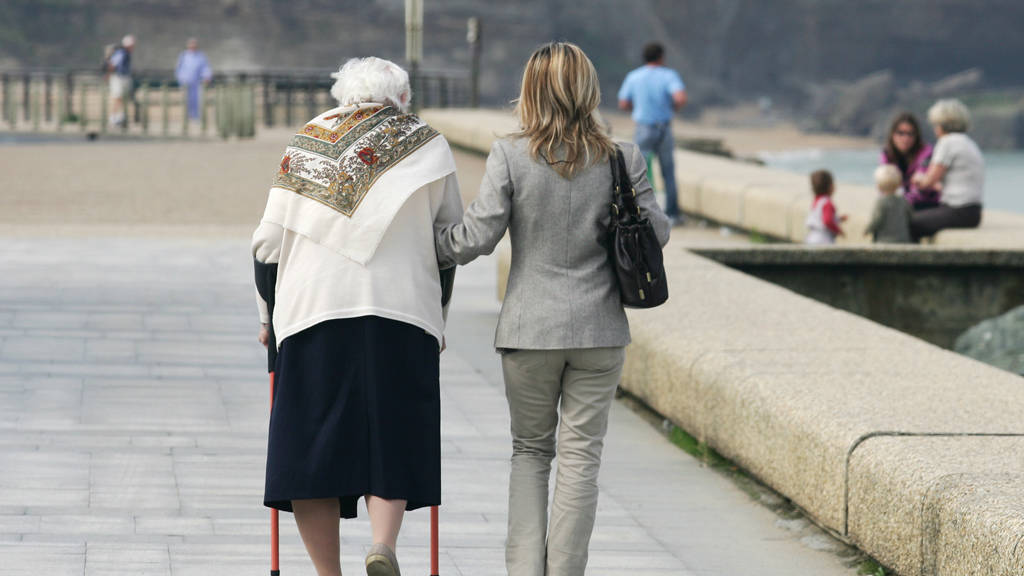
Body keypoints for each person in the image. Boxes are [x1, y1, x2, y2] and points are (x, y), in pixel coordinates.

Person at [435, 42, 671, 576]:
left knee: (530, 452)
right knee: (582, 458)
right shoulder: (621, 156)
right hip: (600, 328)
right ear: (587, 88)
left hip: (529, 329)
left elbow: (476, 237)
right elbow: (657, 232)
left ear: (531, 91)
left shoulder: (511, 154)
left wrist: (427, 244)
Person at [251, 57, 462, 576]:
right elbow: (447, 244)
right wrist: (439, 321)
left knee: (310, 455)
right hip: (404, 311)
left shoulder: (306, 143)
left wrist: (266, 319)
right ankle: (382, 545)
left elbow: (267, 247)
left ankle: (329, 574)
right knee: (393, 436)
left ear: (342, 97)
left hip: (313, 310)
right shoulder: (427, 143)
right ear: (402, 99)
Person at [617, 42, 687, 225]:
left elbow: (623, 103)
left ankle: (639, 211)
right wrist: (672, 109)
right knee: (668, 173)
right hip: (663, 128)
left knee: (637, 172)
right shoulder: (669, 76)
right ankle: (673, 214)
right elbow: (680, 97)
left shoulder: (634, 77)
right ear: (661, 57)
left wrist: (637, 108)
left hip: (643, 128)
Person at [909, 99, 985, 240]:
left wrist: (918, 178)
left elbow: (928, 182)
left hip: (959, 211)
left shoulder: (947, 142)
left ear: (941, 125)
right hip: (973, 211)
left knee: (910, 222)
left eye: (935, 124)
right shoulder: (968, 142)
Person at [880, 112, 940, 210]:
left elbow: (920, 186)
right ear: (892, 134)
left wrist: (898, 200)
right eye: (901, 133)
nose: (905, 138)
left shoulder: (927, 153)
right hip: (900, 201)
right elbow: (884, 184)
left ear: (917, 136)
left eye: (910, 134)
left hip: (926, 202)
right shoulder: (887, 154)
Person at [865, 164, 912, 243]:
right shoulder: (903, 200)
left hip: (884, 240)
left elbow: (877, 220)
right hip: (903, 240)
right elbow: (910, 216)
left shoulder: (881, 202)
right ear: (898, 185)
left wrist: (868, 229)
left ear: (878, 186)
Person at [175, 38, 213, 121]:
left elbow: (205, 67)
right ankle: (187, 117)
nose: (192, 46)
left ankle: (196, 117)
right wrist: (180, 79)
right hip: (185, 82)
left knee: (197, 100)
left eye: (194, 45)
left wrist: (207, 77)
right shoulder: (183, 56)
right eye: (191, 45)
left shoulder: (201, 56)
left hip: (196, 82)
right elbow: (179, 69)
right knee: (186, 100)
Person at [805, 170, 845, 245]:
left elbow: (819, 217)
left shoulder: (817, 201)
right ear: (829, 187)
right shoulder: (827, 203)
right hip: (823, 239)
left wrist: (839, 219)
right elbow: (827, 221)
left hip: (811, 237)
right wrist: (839, 231)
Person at [107, 35, 135, 127]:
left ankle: (120, 117)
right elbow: (113, 65)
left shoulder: (126, 53)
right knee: (117, 97)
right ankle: (113, 117)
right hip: (118, 78)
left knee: (122, 98)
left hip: (123, 78)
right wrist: (108, 75)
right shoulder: (121, 53)